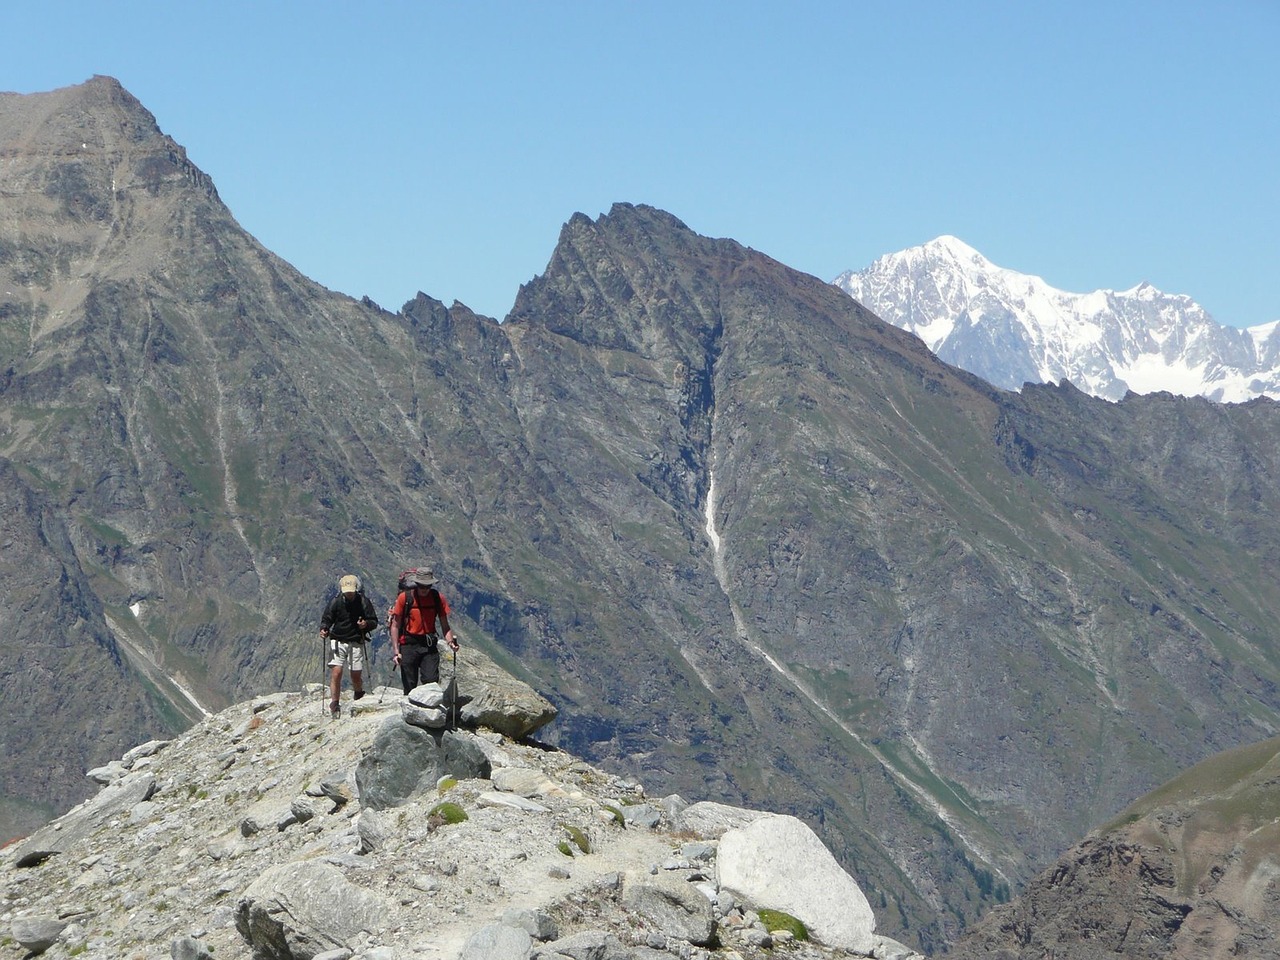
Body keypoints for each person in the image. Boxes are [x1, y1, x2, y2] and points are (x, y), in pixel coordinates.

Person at [388, 568, 459, 694]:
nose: (424, 589)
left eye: (428, 586)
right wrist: (396, 651)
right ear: (416, 584)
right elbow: (395, 625)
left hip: (428, 644)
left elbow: (445, 625)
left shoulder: (438, 598)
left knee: (431, 681)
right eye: (421, 586)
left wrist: (450, 642)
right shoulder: (405, 598)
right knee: (409, 684)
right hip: (408, 644)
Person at [320, 574, 378, 718]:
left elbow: (373, 621)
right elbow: (327, 619)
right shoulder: (336, 602)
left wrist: (366, 625)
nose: (349, 594)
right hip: (338, 640)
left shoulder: (363, 602)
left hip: (356, 641)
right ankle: (335, 702)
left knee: (355, 673)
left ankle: (358, 694)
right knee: (336, 672)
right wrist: (324, 628)